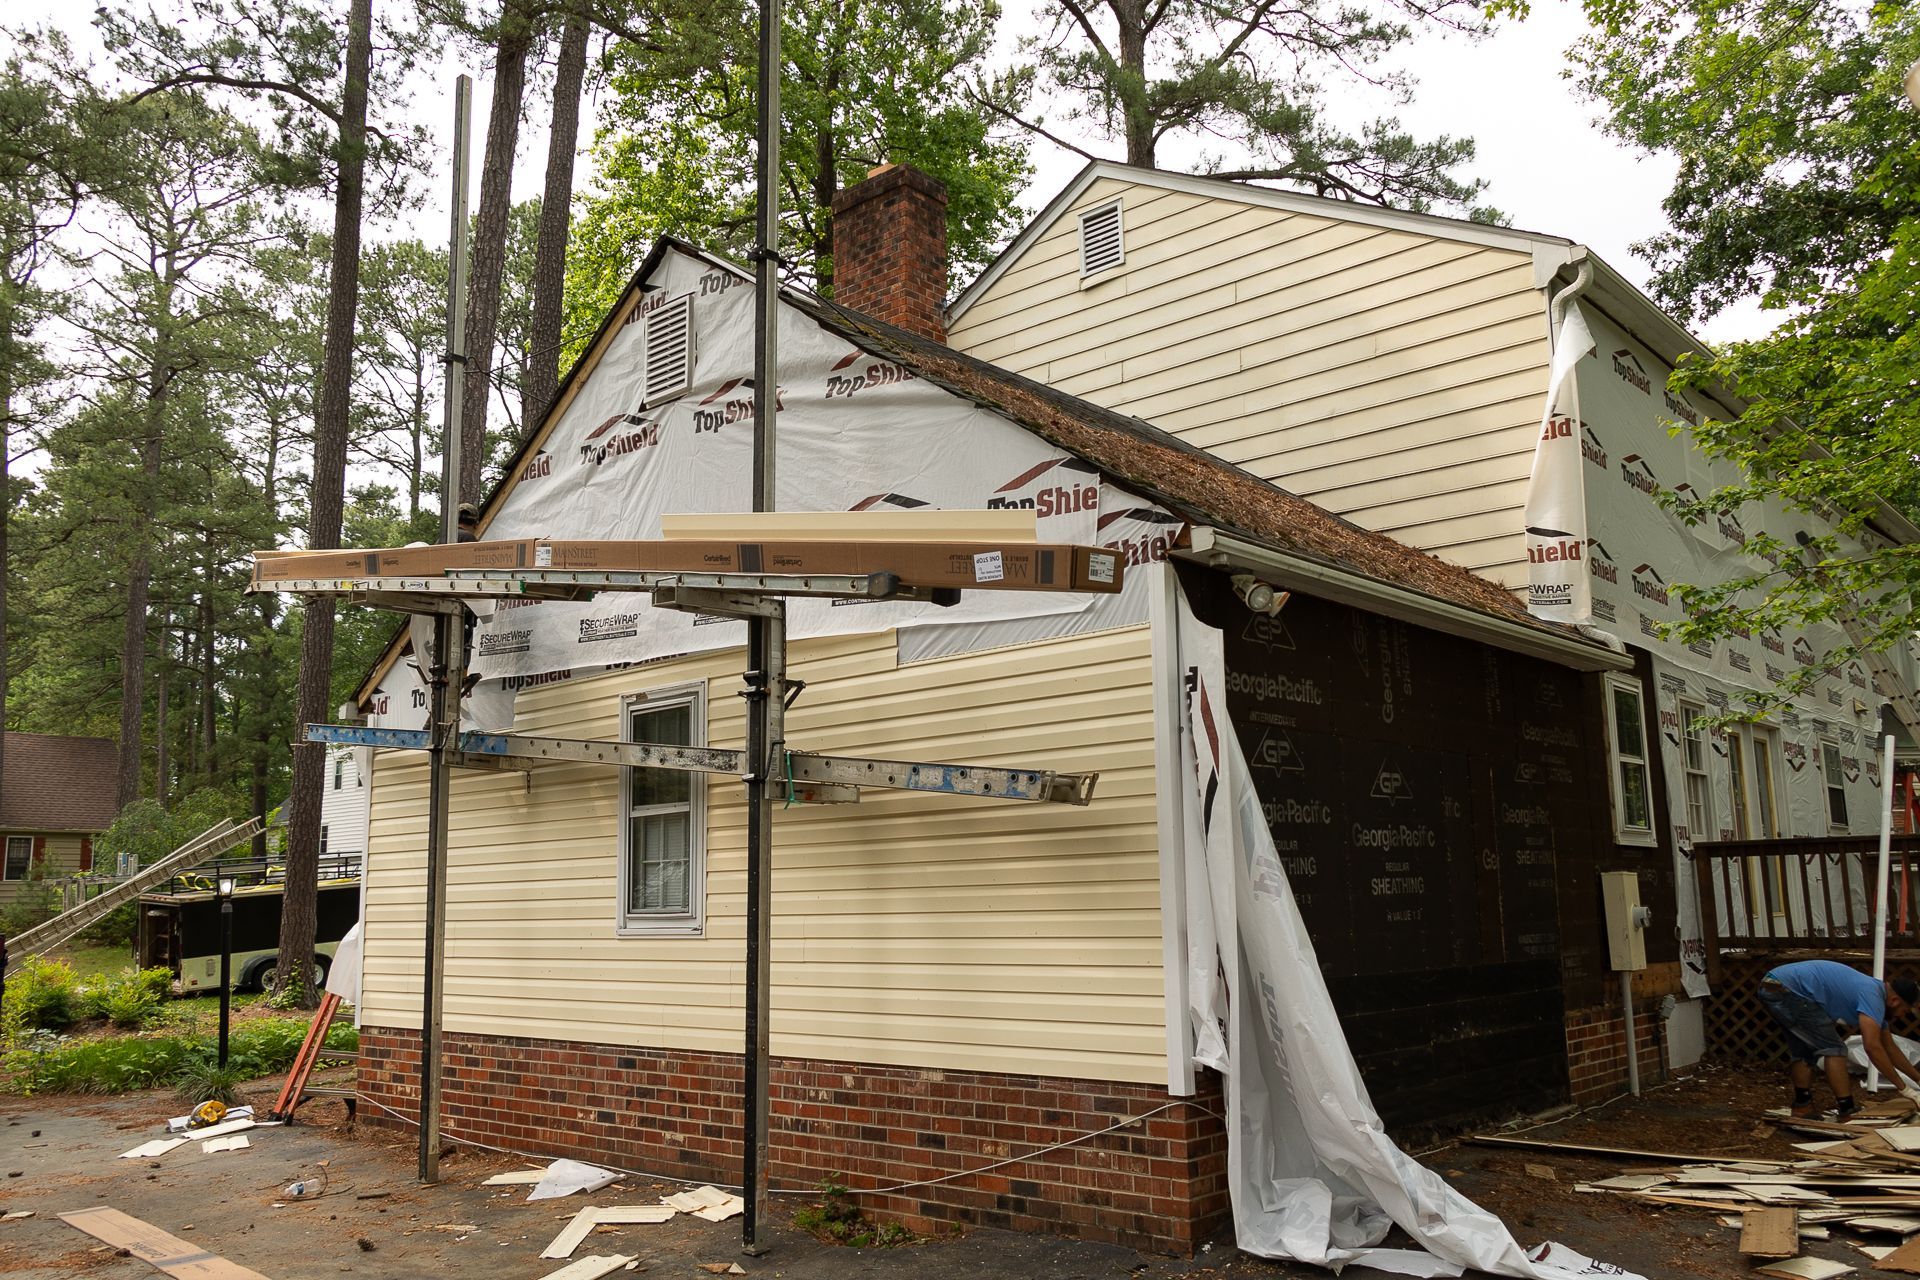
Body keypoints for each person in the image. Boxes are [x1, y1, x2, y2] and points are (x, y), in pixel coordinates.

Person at [1758, 959, 1920, 1117]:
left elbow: (1890, 1048)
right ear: (1895, 1001)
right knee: (1835, 1049)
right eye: (1905, 1011)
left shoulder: (1875, 994)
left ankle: (1802, 1106)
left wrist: (1917, 1080)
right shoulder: (1873, 997)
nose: (1901, 1016)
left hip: (1772, 984)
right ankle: (1846, 1108)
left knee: (1804, 1050)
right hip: (1791, 989)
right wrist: (1906, 1090)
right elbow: (1872, 1047)